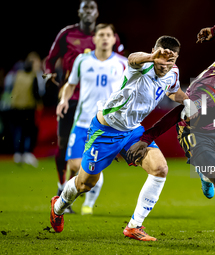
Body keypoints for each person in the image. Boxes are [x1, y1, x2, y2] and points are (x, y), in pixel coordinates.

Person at [50, 36, 197, 241]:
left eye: (170, 60)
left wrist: (187, 101)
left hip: (132, 131)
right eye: (161, 57)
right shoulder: (141, 66)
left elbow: (173, 92)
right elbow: (132, 59)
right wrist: (152, 57)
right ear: (154, 50)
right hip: (105, 130)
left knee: (160, 169)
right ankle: (58, 207)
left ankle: (134, 226)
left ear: (176, 59)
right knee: (85, 184)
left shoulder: (173, 73)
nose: (164, 64)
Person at [127, 24, 215, 222]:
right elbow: (176, 114)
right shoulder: (207, 92)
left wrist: (211, 31)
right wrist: (146, 138)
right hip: (195, 131)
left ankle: (208, 169)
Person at [43, 0, 124, 213]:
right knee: (65, 152)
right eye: (84, 7)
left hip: (103, 114)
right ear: (78, 12)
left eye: (92, 8)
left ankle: (80, 192)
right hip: (72, 102)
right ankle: (63, 186)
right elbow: (51, 60)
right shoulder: (69, 38)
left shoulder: (117, 55)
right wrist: (50, 74)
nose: (104, 39)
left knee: (89, 160)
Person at [11, 52, 41, 167]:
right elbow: (35, 92)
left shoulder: (18, 75)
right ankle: (27, 153)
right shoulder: (33, 76)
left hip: (16, 106)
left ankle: (18, 154)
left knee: (19, 131)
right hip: (28, 107)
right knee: (28, 131)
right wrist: (39, 103)